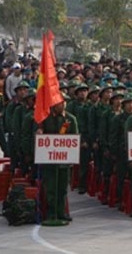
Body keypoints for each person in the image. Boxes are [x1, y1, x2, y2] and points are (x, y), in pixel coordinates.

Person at [39, 94, 78, 224]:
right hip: (49, 161)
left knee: (62, 188)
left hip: (64, 161)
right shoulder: (46, 119)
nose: (62, 105)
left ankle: (61, 213)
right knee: (50, 188)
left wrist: (72, 156)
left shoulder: (70, 119)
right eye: (59, 103)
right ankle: (51, 213)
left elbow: (74, 138)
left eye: (64, 102)